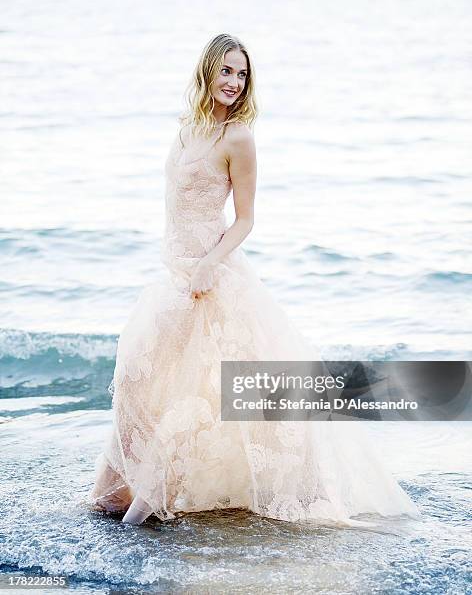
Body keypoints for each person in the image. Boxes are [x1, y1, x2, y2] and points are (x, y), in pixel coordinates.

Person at [89, 33, 421, 527]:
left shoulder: (238, 138)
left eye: (242, 75)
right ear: (207, 72)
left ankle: (175, 492)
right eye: (226, 71)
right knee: (142, 380)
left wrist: (208, 263)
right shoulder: (186, 132)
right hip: (173, 277)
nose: (234, 82)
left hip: (209, 275)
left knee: (197, 392)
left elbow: (245, 219)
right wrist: (180, 261)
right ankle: (127, 488)